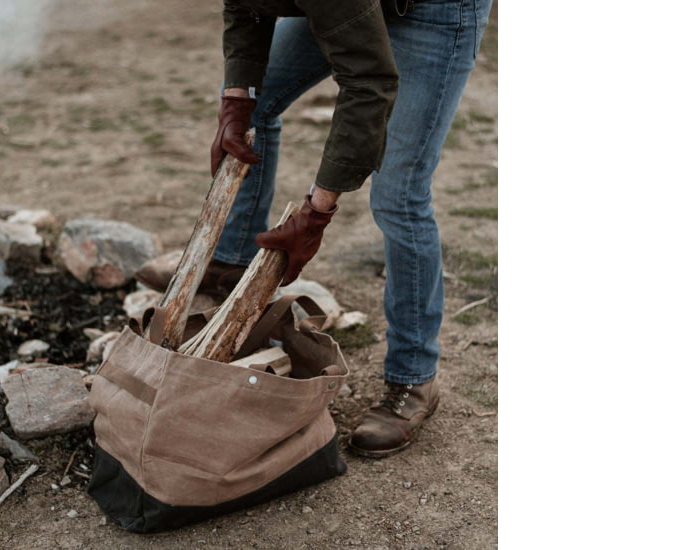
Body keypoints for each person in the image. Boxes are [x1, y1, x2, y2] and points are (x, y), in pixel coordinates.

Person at [137, 0, 493, 457]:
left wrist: (316, 212)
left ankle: (414, 377)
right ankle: (232, 257)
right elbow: (244, 10)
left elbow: (368, 82)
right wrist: (236, 103)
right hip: (354, 7)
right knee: (256, 100)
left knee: (399, 195)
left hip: (434, 12)